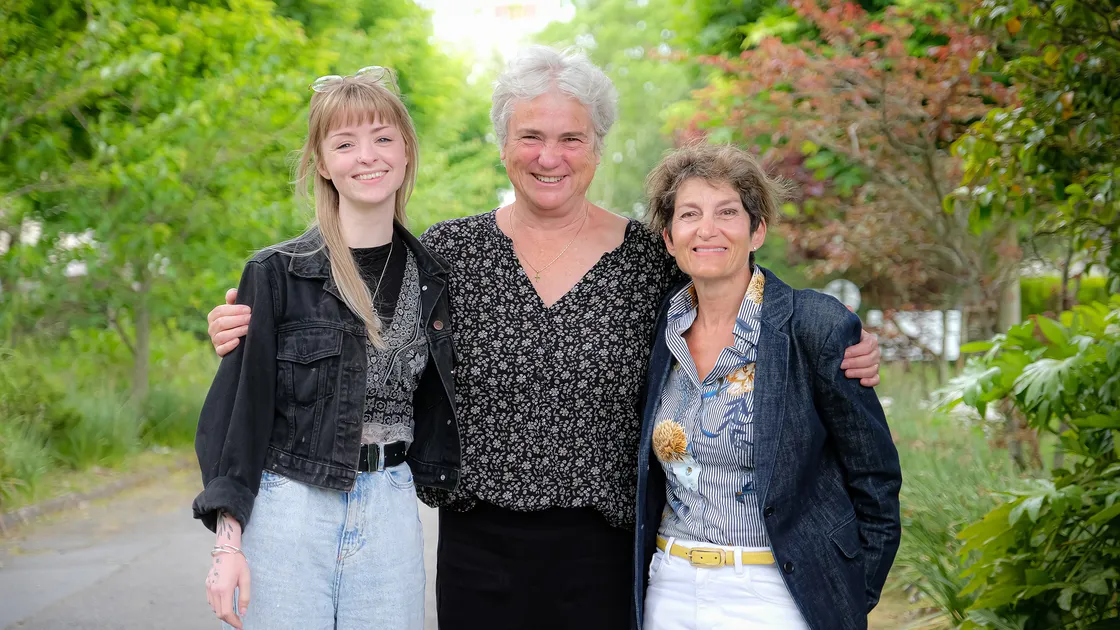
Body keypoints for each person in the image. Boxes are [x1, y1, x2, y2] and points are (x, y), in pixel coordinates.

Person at [204, 47, 882, 630]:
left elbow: (728, 287)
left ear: (598, 146)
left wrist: (831, 343)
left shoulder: (649, 259)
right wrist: (248, 323)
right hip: (477, 547)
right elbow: (364, 333)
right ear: (503, 144)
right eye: (530, 136)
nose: (549, 157)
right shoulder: (449, 253)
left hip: (607, 551)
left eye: (571, 139)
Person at [193, 67, 459, 630]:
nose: (368, 156)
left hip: (391, 506)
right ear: (321, 162)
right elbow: (239, 416)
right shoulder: (277, 273)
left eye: (383, 138)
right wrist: (228, 546)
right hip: (291, 509)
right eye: (345, 143)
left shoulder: (434, 278)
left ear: (406, 151)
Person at [633, 143, 902, 630]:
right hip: (670, 587)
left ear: (756, 230)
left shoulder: (813, 325)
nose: (707, 229)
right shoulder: (658, 332)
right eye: (689, 214)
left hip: (777, 592)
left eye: (727, 212)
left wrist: (847, 597)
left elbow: (875, 480)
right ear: (670, 239)